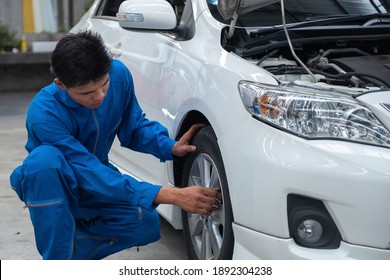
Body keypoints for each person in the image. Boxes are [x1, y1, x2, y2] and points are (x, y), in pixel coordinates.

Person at [9, 30, 221, 260]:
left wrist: (169, 147)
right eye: (87, 92)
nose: (99, 96)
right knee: (44, 162)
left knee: (145, 224)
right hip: (57, 183)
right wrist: (170, 195)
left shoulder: (118, 74)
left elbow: (134, 126)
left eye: (104, 85)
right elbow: (87, 169)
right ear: (61, 85)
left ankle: (69, 247)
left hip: (97, 175)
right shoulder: (44, 113)